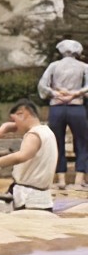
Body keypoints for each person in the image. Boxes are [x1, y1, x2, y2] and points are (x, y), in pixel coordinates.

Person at [0, 100, 57, 210]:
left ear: (22, 114)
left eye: (14, 120)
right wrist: (1, 131)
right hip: (41, 199)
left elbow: (22, 156)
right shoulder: (48, 132)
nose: (14, 125)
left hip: (28, 199)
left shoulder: (34, 134)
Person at [38, 39, 88, 190]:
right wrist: (76, 93)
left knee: (56, 142)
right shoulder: (83, 66)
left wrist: (56, 93)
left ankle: (61, 179)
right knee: (82, 142)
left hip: (57, 106)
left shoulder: (54, 66)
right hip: (76, 107)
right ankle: (79, 179)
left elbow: (42, 85)